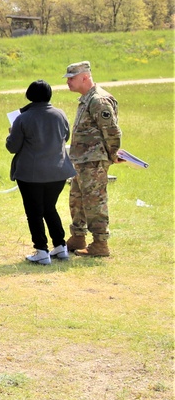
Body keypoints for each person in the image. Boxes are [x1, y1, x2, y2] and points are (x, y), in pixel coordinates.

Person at [6, 79, 76, 265]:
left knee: (34, 212)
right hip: (58, 172)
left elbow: (12, 147)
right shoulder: (60, 114)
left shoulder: (22, 118)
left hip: (31, 174)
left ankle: (41, 250)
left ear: (30, 96)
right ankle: (60, 246)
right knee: (49, 208)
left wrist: (11, 132)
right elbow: (66, 136)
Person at [63, 61, 121, 257]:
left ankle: (100, 243)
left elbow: (112, 131)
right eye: (68, 78)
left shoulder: (99, 100)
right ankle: (78, 236)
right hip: (81, 161)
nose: (68, 82)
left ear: (85, 77)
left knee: (94, 202)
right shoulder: (86, 99)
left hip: (94, 161)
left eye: (72, 78)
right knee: (77, 199)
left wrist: (113, 154)